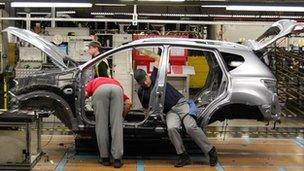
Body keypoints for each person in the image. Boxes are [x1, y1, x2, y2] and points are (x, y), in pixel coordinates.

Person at [134, 49, 218, 167]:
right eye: (143, 83)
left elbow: (159, 58)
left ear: (147, 75)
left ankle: (210, 151)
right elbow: (146, 108)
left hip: (181, 104)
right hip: (169, 112)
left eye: (146, 80)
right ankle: (183, 155)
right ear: (139, 83)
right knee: (172, 128)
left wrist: (144, 51)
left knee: (190, 127)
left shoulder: (155, 76)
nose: (146, 83)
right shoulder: (141, 92)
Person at [85, 77, 131, 168]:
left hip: (100, 90)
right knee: (117, 125)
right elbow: (128, 102)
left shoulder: (93, 81)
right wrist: (121, 117)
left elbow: (85, 94)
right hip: (117, 90)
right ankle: (117, 160)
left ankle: (105, 158)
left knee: (101, 125)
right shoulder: (115, 81)